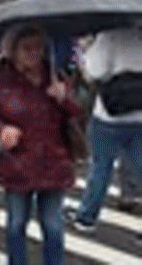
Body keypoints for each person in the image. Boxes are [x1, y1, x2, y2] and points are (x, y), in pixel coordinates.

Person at [0, 24, 82, 265]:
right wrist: (1, 129)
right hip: (17, 161)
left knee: (53, 225)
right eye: (27, 48)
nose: (34, 53)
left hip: (53, 160)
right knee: (16, 224)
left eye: (39, 47)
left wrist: (63, 98)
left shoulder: (55, 75)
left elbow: (77, 113)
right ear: (13, 51)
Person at [66, 26, 142, 231]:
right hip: (139, 115)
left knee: (101, 167)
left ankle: (87, 217)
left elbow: (94, 73)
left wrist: (85, 53)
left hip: (110, 116)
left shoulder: (110, 36)